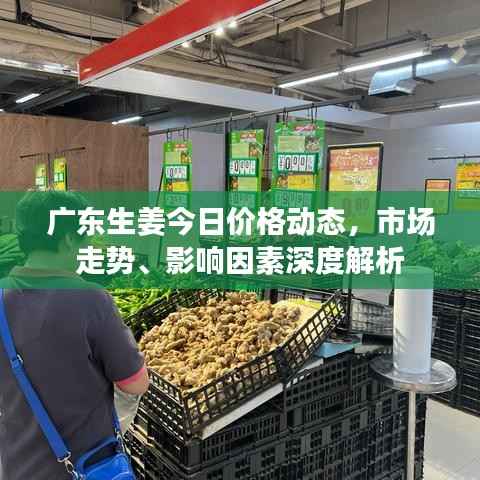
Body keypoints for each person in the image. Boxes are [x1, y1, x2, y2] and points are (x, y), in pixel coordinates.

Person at [0, 190, 149, 480]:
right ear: (68, 238)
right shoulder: (90, 299)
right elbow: (135, 383)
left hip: (18, 465)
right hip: (86, 465)